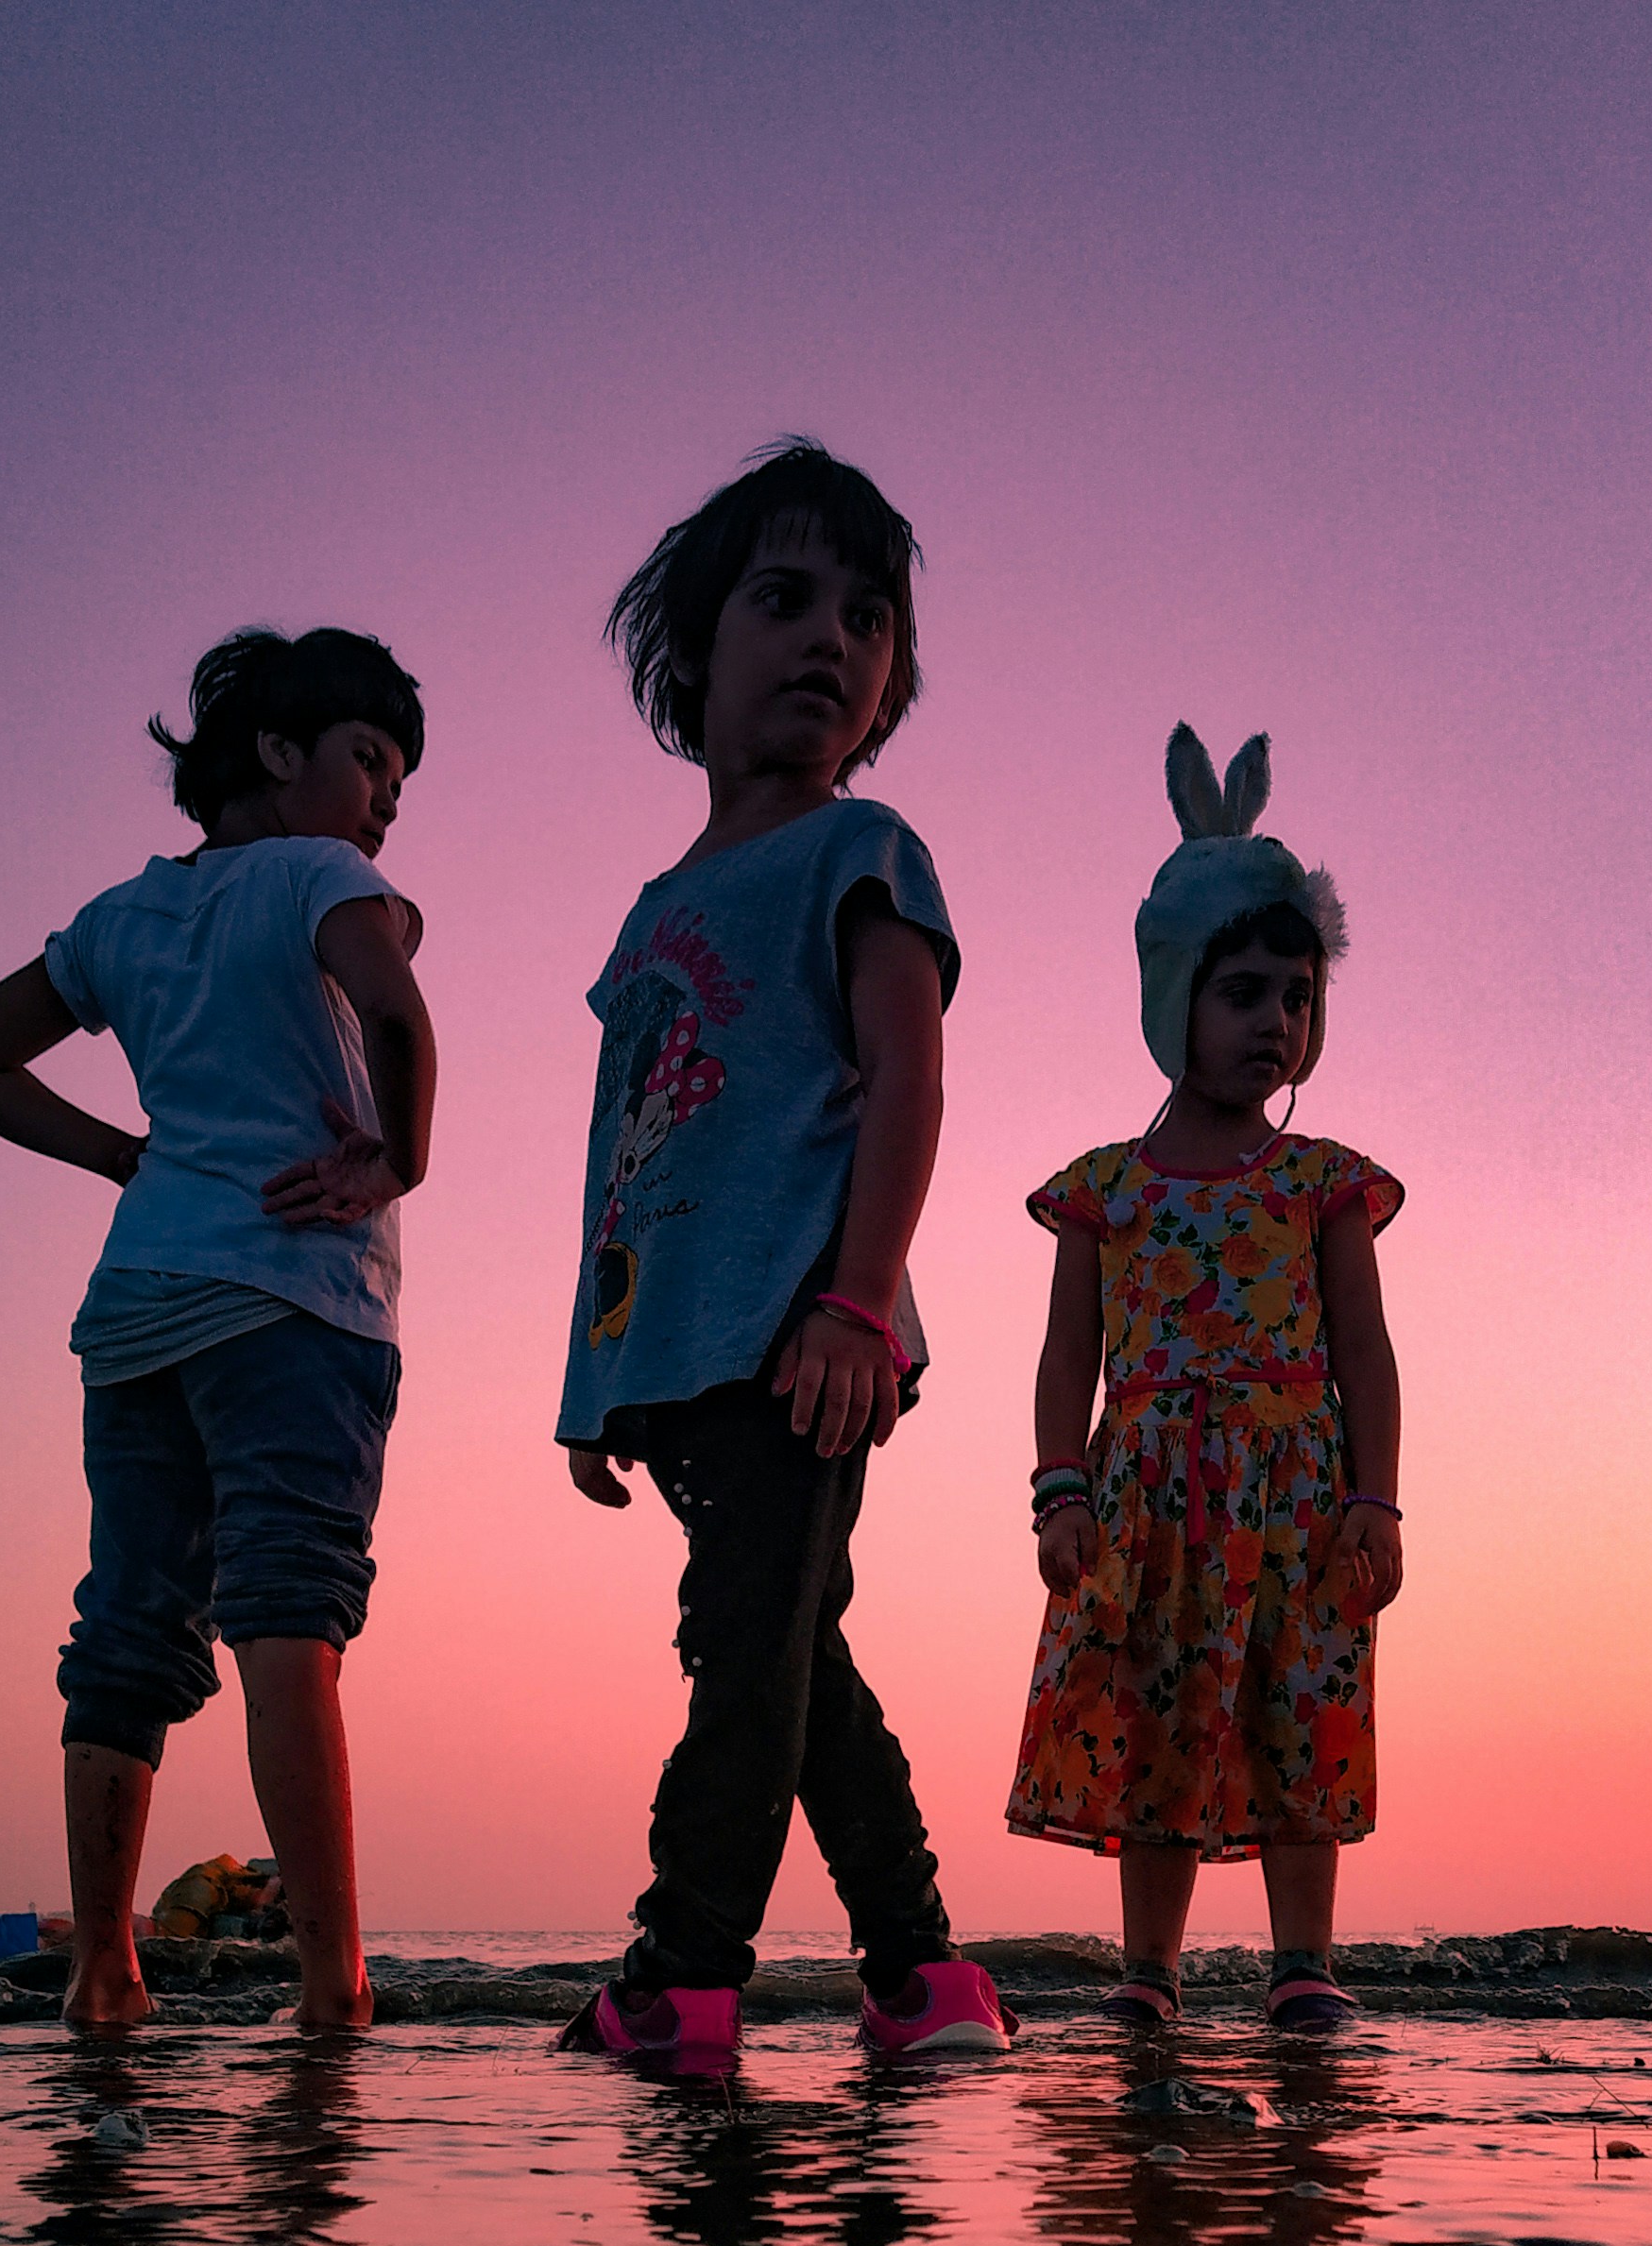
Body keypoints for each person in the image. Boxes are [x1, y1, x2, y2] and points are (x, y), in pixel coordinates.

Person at [558, 440, 1011, 2065]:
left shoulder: (861, 850)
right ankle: (922, 1976)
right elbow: (629, 1162)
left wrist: (858, 1299)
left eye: (868, 617)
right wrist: (594, 1377)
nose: (833, 636)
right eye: (786, 599)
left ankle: (684, 1978)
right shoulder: (646, 917)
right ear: (695, 651)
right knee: (782, 1639)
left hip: (808, 1329)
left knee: (746, 1642)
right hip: (681, 1353)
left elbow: (908, 1078)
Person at [0, 625, 435, 2032]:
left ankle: (103, 1969)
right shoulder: (325, 875)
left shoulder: (118, 919)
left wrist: (115, 1156)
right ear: (279, 754)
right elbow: (394, 1008)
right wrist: (400, 1157)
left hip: (138, 1310)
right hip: (296, 1298)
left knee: (131, 1625)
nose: (388, 796)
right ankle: (332, 1981)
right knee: (287, 1613)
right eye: (370, 759)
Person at [1008, 723, 1404, 2034]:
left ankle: (1302, 1964)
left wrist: (1377, 1502)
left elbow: (1364, 1352)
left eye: (1296, 999)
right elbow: (1069, 1355)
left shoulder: (1320, 1182)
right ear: (1173, 998)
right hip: (1146, 1499)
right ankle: (1150, 1973)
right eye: (1243, 994)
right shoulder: (1102, 1192)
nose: (1274, 1024)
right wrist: (1059, 1489)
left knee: (1298, 1709)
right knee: (1155, 1722)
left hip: (1296, 1495)